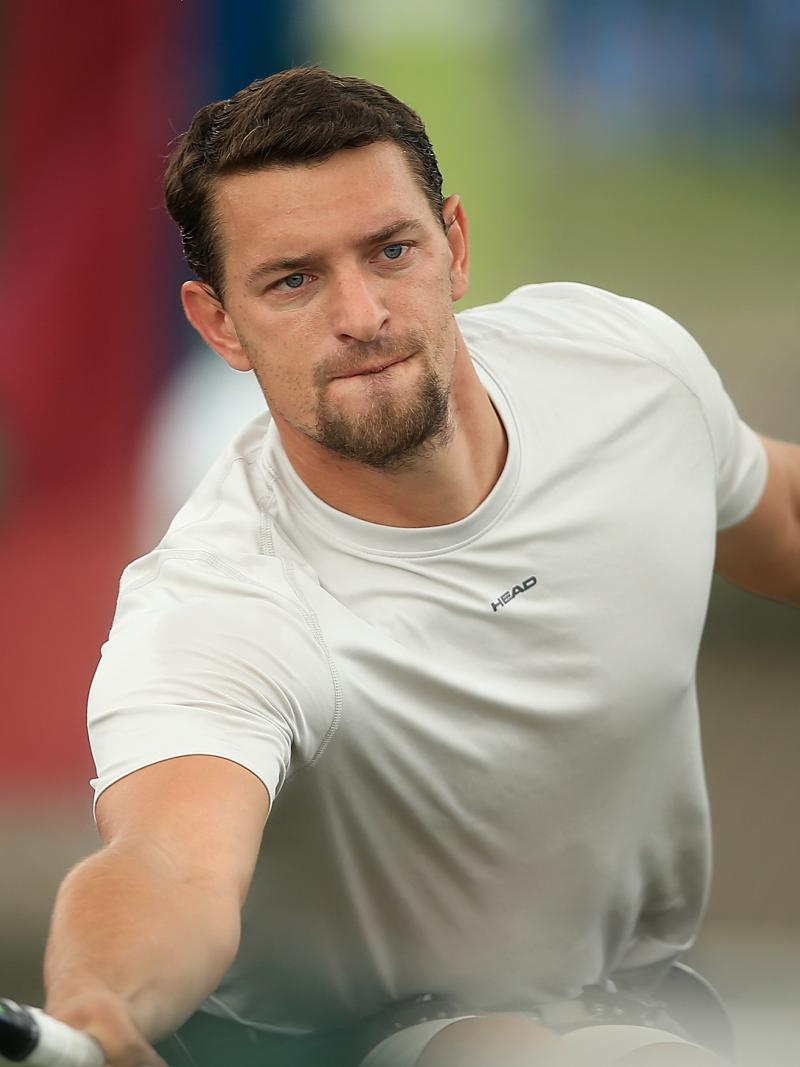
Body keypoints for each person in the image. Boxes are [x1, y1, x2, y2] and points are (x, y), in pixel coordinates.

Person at [41, 67, 799, 1067]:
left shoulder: (624, 369)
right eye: (292, 279)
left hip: (627, 1010)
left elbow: (777, 520)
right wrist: (99, 1002)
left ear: (453, 245)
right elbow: (167, 862)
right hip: (341, 1044)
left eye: (390, 250)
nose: (359, 313)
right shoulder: (216, 604)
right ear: (220, 321)